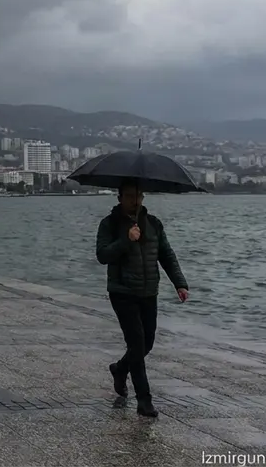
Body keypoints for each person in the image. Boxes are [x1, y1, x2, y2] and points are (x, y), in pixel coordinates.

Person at [96, 179, 189, 419]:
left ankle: (120, 368)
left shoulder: (154, 224)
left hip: (149, 292)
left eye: (138, 196)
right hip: (123, 292)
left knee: (147, 343)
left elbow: (166, 254)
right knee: (137, 344)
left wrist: (179, 283)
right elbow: (102, 255)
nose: (134, 201)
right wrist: (126, 239)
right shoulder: (110, 224)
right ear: (119, 198)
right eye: (129, 196)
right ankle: (144, 400)